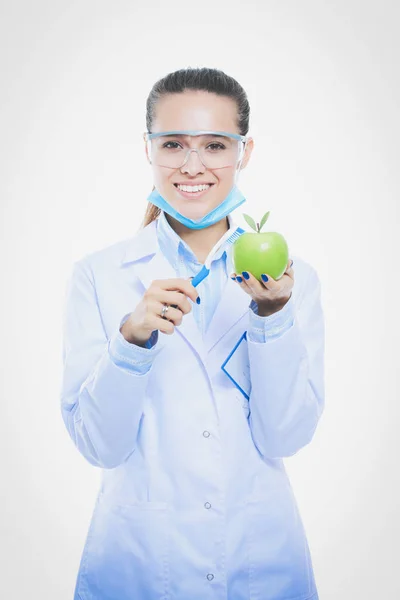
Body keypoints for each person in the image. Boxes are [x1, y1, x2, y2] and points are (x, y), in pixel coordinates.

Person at [60, 67, 325, 600]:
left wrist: (271, 320)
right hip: (137, 560)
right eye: (175, 143)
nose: (193, 165)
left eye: (215, 145)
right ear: (148, 148)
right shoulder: (101, 275)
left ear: (244, 153)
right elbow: (100, 446)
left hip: (260, 558)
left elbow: (286, 437)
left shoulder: (293, 279)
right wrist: (130, 342)